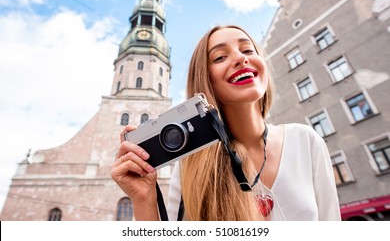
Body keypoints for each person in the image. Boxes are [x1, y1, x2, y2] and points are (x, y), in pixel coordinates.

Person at [111, 25, 341, 221]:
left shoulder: (305, 141)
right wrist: (143, 199)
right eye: (220, 57)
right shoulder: (190, 166)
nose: (241, 58)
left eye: (248, 49)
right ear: (205, 79)